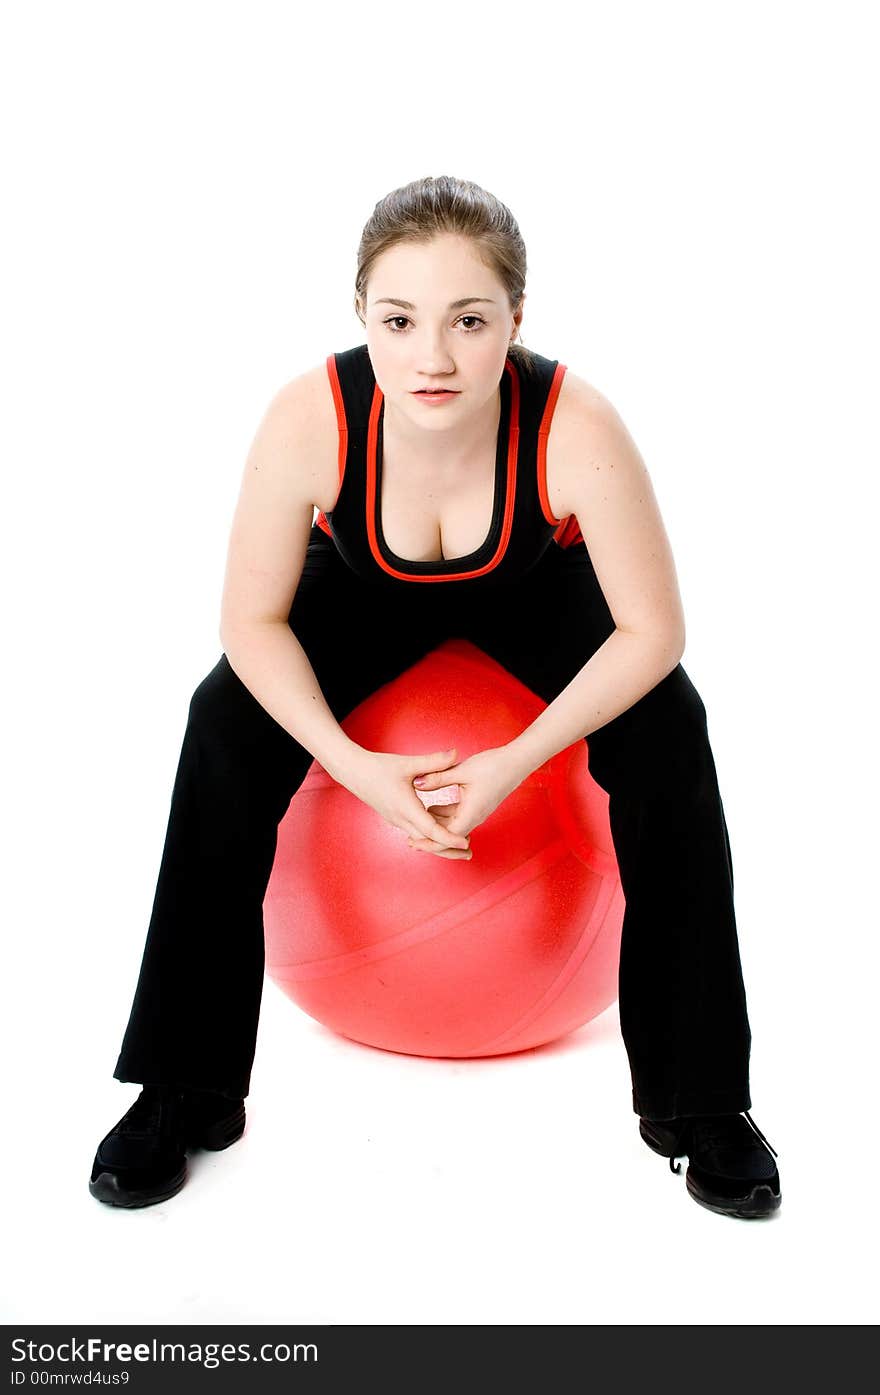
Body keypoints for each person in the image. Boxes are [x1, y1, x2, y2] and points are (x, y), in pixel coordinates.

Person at [89, 174, 781, 1220]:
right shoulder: (309, 418)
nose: (434, 357)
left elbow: (653, 633)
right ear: (360, 313)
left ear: (517, 318)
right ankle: (182, 1090)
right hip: (360, 590)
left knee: (669, 728)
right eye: (399, 320)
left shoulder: (573, 422)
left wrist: (516, 760)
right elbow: (250, 625)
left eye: (470, 320)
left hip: (532, 590)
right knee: (223, 720)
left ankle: (700, 1106)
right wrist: (352, 765)